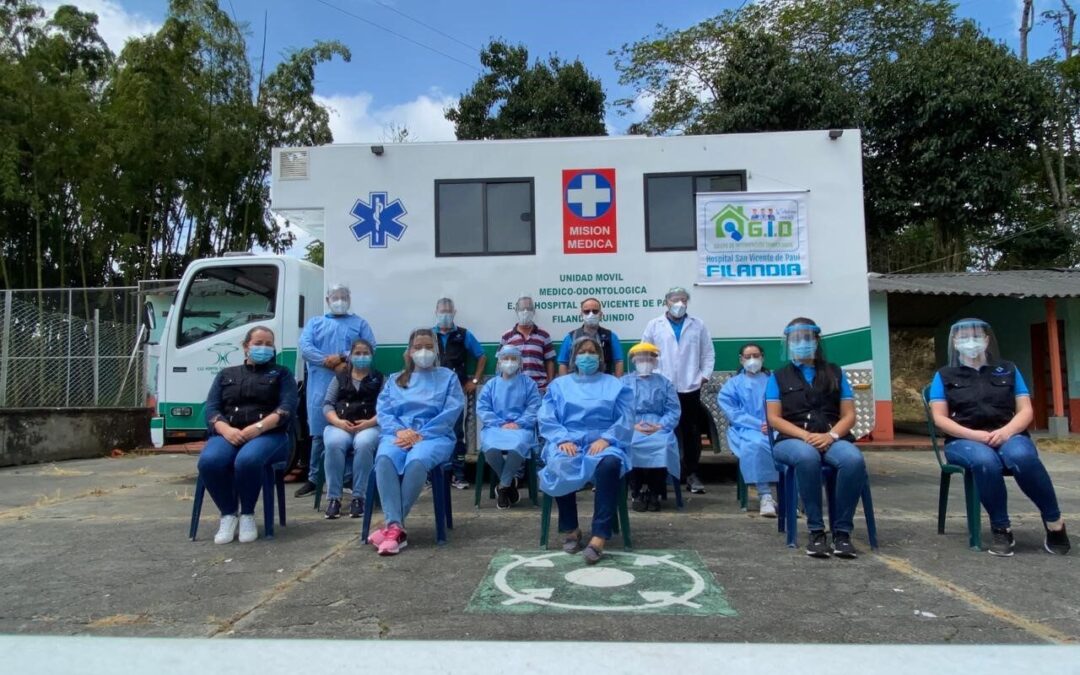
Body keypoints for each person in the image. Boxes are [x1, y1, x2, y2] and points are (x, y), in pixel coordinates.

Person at [930, 318, 1070, 556]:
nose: (970, 342)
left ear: (987, 340)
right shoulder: (944, 375)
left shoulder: (1008, 370)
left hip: (1008, 433)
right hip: (964, 440)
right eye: (964, 337)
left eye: (976, 336)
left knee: (1022, 457)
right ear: (954, 342)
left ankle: (1054, 522)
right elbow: (940, 418)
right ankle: (1001, 528)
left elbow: (1025, 410)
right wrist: (974, 435)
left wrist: (1006, 432)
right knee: (985, 462)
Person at [766, 318, 864, 559]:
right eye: (796, 339)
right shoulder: (777, 377)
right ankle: (816, 531)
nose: (801, 343)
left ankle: (842, 533)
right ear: (788, 343)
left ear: (816, 340)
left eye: (807, 338)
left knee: (853, 460)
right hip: (792, 440)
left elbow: (849, 415)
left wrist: (831, 436)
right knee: (807, 457)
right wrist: (805, 435)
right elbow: (774, 419)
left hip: (831, 437)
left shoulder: (835, 372)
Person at [367, 328, 465, 556]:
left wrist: (421, 434)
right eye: (418, 347)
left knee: (417, 460)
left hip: (434, 436)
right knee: (384, 459)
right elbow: (384, 411)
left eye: (429, 347)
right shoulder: (395, 380)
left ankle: (392, 527)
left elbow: (451, 411)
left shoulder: (447, 378)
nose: (424, 351)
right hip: (398, 434)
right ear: (409, 352)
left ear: (437, 350)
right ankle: (396, 527)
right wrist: (400, 431)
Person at [538, 335, 634, 565]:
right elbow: (547, 416)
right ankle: (571, 529)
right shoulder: (559, 385)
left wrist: (608, 439)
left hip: (602, 443)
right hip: (568, 441)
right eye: (582, 352)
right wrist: (561, 439)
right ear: (573, 357)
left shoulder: (614, 384)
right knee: (560, 463)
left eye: (592, 352)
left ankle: (600, 535)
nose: (587, 357)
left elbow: (626, 417)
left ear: (600, 357)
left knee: (610, 465)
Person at [198, 326, 298, 544]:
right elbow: (212, 409)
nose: (264, 348)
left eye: (268, 344)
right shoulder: (226, 375)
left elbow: (287, 408)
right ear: (246, 347)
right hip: (229, 433)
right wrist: (226, 430)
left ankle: (248, 514)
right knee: (209, 461)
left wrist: (258, 428)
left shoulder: (282, 374)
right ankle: (228, 513)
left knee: (247, 460)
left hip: (268, 436)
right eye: (258, 343)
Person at [295, 284, 376, 498]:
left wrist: (342, 358)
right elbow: (305, 347)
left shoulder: (359, 323)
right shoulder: (315, 323)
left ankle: (347, 478)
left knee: (350, 430)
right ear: (327, 299)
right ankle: (314, 478)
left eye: (343, 296)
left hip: (351, 387)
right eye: (335, 296)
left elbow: (369, 346)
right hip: (321, 384)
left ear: (349, 299)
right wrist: (327, 361)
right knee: (319, 434)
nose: (339, 300)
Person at [641, 286, 714, 494]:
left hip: (690, 387)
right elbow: (645, 352)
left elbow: (708, 353)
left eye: (683, 299)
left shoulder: (697, 325)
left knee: (691, 431)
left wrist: (704, 376)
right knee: (663, 429)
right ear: (666, 302)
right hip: (662, 387)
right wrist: (650, 377)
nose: (679, 304)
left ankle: (691, 474)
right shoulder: (655, 325)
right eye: (675, 299)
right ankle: (663, 474)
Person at [321, 338, 383, 520]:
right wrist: (338, 423)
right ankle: (334, 499)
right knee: (333, 443)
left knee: (364, 444)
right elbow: (327, 405)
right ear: (350, 356)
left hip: (369, 425)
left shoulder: (379, 379)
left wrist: (369, 423)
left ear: (371, 356)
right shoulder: (339, 378)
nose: (361, 357)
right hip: (341, 425)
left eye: (365, 353)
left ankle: (359, 498)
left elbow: (386, 408)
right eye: (357, 353)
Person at [477, 345, 541, 509]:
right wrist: (500, 423)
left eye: (514, 358)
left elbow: (534, 407)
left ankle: (503, 486)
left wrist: (518, 423)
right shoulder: (491, 385)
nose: (510, 362)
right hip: (495, 427)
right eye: (506, 358)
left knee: (517, 446)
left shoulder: (528, 384)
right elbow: (483, 408)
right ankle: (508, 483)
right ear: (499, 362)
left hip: (521, 428)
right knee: (490, 448)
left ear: (520, 362)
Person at [719, 343, 779, 518]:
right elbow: (732, 412)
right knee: (756, 444)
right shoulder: (733, 384)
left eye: (756, 355)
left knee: (787, 445)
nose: (752, 360)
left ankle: (789, 495)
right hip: (744, 429)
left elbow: (785, 405)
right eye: (748, 356)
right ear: (741, 359)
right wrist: (757, 424)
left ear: (762, 357)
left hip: (774, 427)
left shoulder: (773, 381)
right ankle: (765, 495)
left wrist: (773, 423)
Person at [433, 297, 487, 491]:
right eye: (442, 311)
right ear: (436, 312)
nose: (445, 314)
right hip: (433, 393)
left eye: (449, 311)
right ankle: (435, 475)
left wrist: (474, 381)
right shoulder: (429, 336)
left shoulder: (463, 335)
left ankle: (458, 475)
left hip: (456, 392)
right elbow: (410, 355)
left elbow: (481, 357)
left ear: (454, 313)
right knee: (434, 431)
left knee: (456, 433)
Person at [621, 342, 681, 512]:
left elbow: (673, 409)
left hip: (658, 425)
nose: (644, 361)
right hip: (633, 426)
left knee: (662, 445)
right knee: (631, 445)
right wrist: (632, 426)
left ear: (655, 360)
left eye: (649, 357)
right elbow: (619, 410)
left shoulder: (664, 383)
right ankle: (637, 491)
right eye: (640, 358)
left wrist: (660, 425)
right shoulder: (624, 382)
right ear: (633, 360)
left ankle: (656, 491)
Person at [500, 294, 556, 393]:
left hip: (539, 388)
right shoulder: (507, 336)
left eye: (529, 308)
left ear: (533, 311)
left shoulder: (544, 335)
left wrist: (550, 383)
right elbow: (500, 362)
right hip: (514, 388)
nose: (525, 312)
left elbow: (550, 361)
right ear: (517, 311)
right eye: (522, 309)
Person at [557, 298, 625, 377]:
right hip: (577, 384)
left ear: (601, 314)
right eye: (587, 311)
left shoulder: (610, 336)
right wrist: (565, 386)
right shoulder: (570, 337)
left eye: (595, 311)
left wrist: (617, 384)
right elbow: (563, 364)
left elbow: (619, 362)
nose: (591, 314)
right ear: (581, 314)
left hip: (604, 384)